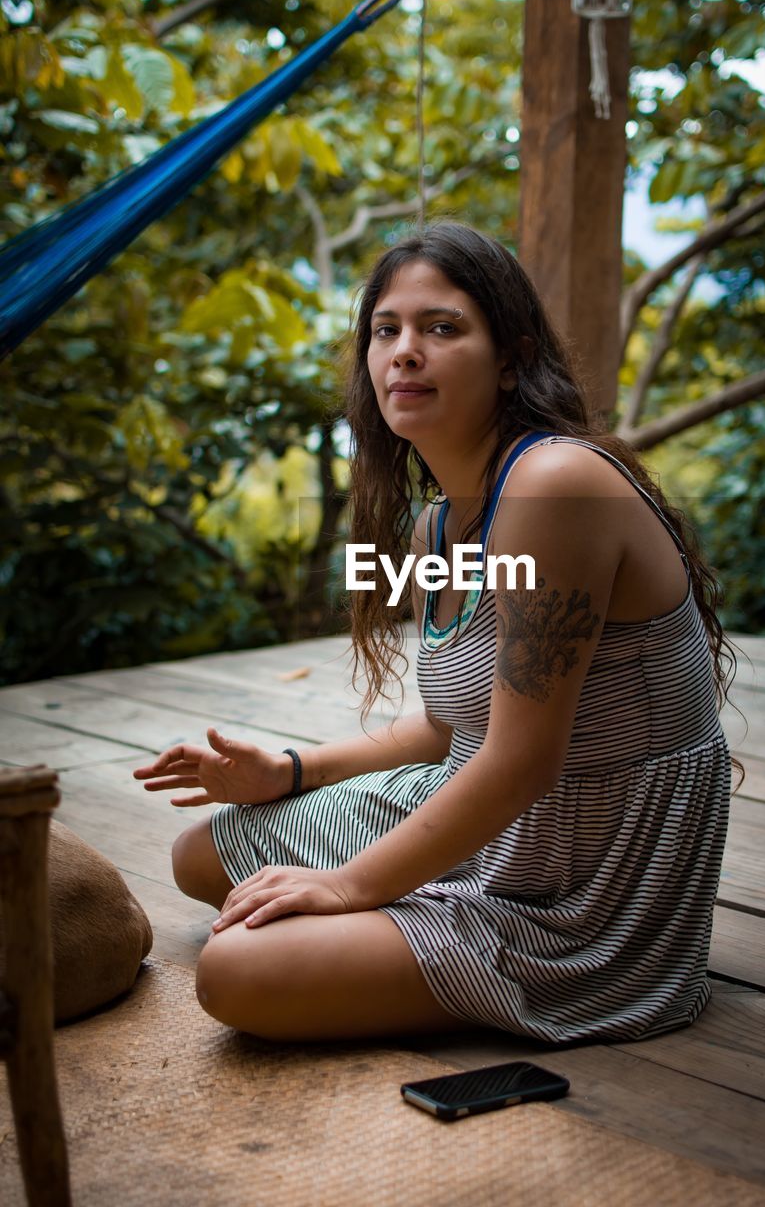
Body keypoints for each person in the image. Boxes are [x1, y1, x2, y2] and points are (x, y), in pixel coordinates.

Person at [135, 222, 733, 1045]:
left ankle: (433, 935)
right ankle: (399, 917)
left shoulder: (553, 486)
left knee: (236, 969)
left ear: (512, 358)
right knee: (203, 855)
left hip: (578, 865)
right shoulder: (435, 530)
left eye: (441, 328)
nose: (403, 353)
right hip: (485, 802)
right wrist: (287, 771)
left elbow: (522, 758)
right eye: (387, 331)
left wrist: (349, 888)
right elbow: (449, 728)